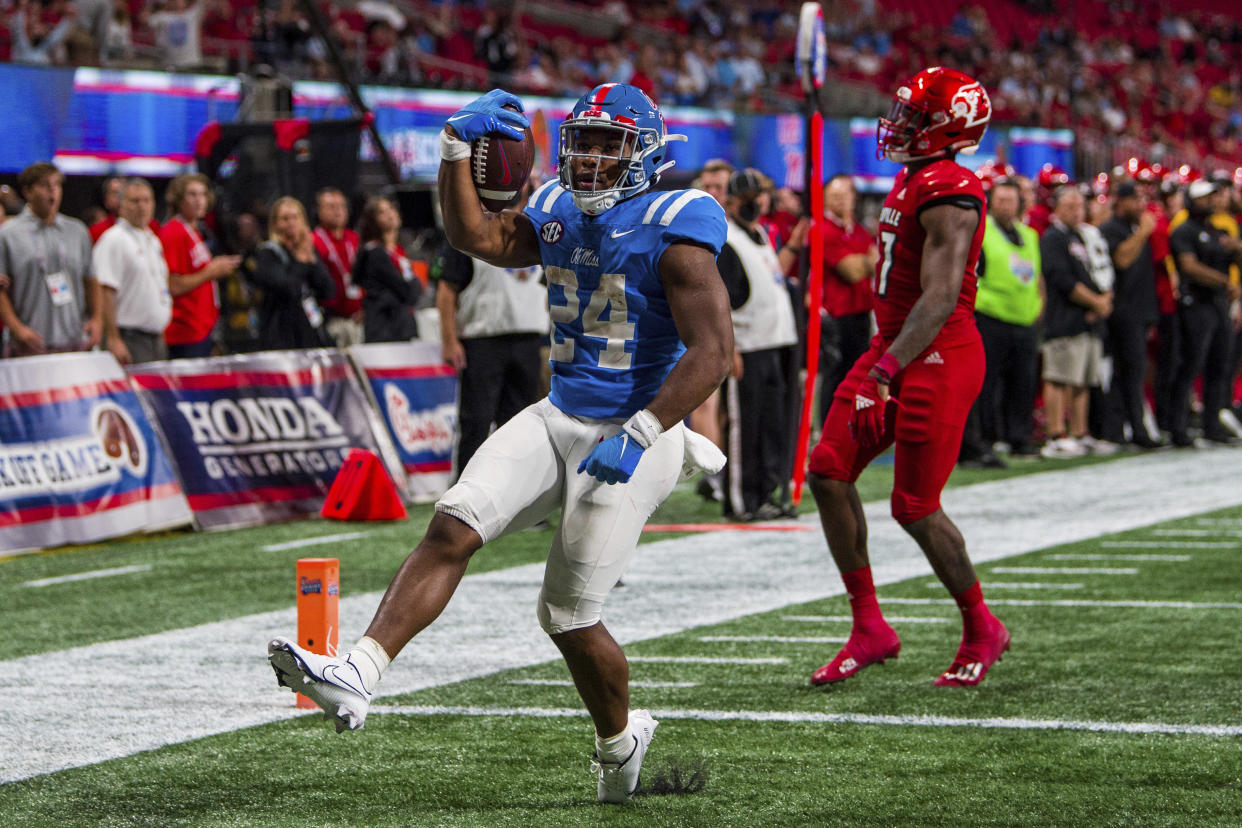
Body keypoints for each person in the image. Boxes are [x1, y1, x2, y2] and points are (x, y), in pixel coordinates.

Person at [267, 83, 733, 804]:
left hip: (640, 430)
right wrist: (455, 148)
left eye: (607, 144)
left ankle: (620, 742)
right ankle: (357, 671)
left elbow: (713, 353)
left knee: (568, 616)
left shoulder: (676, 225)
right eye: (581, 141)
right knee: (454, 523)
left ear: (643, 151)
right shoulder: (555, 209)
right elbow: (473, 237)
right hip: (560, 412)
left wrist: (643, 430)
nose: (588, 158)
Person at [806, 68, 1009, 688]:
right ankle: (869, 626)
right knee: (827, 469)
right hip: (891, 349)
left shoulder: (952, 188)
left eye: (916, 118)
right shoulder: (916, 176)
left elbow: (942, 294)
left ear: (948, 129)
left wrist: (887, 370)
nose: (899, 127)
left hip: (937, 356)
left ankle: (981, 626)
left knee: (915, 506)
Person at [437, 182, 548, 475]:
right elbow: (447, 290)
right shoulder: (472, 233)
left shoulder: (540, 231)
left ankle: (516, 501)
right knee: (476, 421)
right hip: (482, 340)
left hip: (528, 338)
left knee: (521, 425)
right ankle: (463, 498)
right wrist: (449, 340)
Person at [718, 168, 800, 520]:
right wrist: (729, 347)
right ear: (732, 202)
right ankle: (741, 499)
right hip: (748, 344)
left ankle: (766, 492)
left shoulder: (762, 235)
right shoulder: (727, 240)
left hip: (775, 342)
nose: (753, 205)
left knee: (771, 424)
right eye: (746, 200)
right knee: (745, 427)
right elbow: (721, 301)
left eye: (758, 198)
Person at [965, 177, 1043, 460]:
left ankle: (1019, 437)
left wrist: (1038, 306)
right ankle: (986, 438)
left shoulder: (1030, 235)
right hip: (990, 316)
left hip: (1024, 318)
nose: (1006, 206)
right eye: (1001, 200)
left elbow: (1037, 275)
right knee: (986, 384)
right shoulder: (981, 232)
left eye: (1011, 200)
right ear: (990, 203)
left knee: (1023, 383)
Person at [1038, 186, 1113, 457]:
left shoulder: (1084, 236)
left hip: (1088, 319)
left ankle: (1080, 432)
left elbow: (1103, 270)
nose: (1075, 211)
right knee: (1058, 377)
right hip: (1063, 318)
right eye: (1069, 206)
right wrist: (1096, 302)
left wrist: (1103, 300)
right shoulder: (1053, 238)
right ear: (1056, 208)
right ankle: (1056, 433)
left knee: (1083, 379)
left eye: (1079, 206)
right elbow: (1061, 279)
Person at [1167, 179, 1242, 446]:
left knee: (1220, 365)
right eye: (1204, 198)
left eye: (1212, 197)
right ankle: (1178, 427)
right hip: (1195, 304)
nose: (1210, 202)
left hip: (1218, 304)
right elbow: (1189, 267)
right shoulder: (1183, 230)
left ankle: (1213, 425)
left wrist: (1237, 249)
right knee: (1191, 364)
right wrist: (1224, 282)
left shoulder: (1218, 231)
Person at [0, 162, 102, 357]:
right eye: (45, 185)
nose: (52, 191)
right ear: (28, 191)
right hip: (30, 342)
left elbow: (91, 279)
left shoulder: (77, 231)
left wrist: (97, 320)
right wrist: (17, 329)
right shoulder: (8, 234)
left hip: (73, 340)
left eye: (57, 185)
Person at [1099, 180, 1162, 448]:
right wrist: (1143, 232)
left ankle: (1121, 429)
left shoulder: (1134, 227)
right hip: (1121, 312)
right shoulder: (1111, 229)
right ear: (1120, 201)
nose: (1141, 205)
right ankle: (1134, 430)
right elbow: (1122, 259)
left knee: (1130, 372)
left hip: (1139, 311)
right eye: (1135, 199)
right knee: (1127, 372)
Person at [92, 178, 172, 365]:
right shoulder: (113, 239)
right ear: (121, 205)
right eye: (135, 201)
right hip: (128, 338)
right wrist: (113, 338)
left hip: (155, 338)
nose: (142, 206)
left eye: (147, 200)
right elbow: (103, 290)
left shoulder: (153, 240)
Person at [818, 173, 878, 423]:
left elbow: (877, 261)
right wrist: (868, 261)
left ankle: (849, 423)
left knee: (857, 372)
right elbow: (852, 272)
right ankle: (829, 424)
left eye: (845, 195)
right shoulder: (823, 230)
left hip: (861, 311)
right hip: (837, 314)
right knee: (835, 375)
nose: (841, 200)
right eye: (835, 195)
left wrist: (865, 261)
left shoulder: (857, 230)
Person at [160, 173, 241, 358]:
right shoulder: (174, 232)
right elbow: (173, 284)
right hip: (185, 332)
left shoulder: (194, 231)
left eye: (203, 194)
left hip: (201, 328)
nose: (199, 200)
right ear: (178, 199)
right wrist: (211, 271)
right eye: (192, 195)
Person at [248, 196, 336, 351]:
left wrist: (312, 261)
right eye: (285, 218)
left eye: (295, 217)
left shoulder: (308, 250)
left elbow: (328, 291)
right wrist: (301, 260)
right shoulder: (268, 253)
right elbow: (288, 289)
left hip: (310, 332)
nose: (291, 222)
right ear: (275, 224)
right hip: (281, 336)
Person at [351, 196, 422, 343]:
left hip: (401, 325)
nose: (390, 214)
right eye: (382, 212)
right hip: (384, 328)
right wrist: (415, 283)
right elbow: (406, 291)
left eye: (391, 208)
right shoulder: (374, 253)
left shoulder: (399, 251)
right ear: (372, 220)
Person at [312, 187, 363, 348]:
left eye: (341, 206)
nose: (338, 211)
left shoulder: (355, 239)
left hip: (359, 318)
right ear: (319, 211)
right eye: (331, 207)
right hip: (331, 320)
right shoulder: (313, 241)